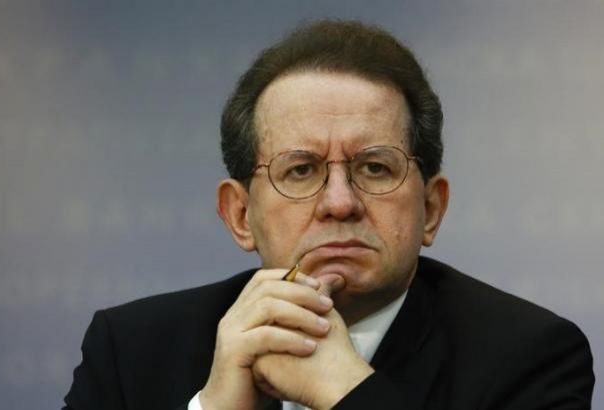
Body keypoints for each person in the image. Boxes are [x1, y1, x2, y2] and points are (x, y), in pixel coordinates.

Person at [63, 20, 594, 410]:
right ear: (240, 215)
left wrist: (347, 390)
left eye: (375, 168)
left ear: (431, 209)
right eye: (300, 170)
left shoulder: (529, 355)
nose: (340, 202)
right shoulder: (131, 350)